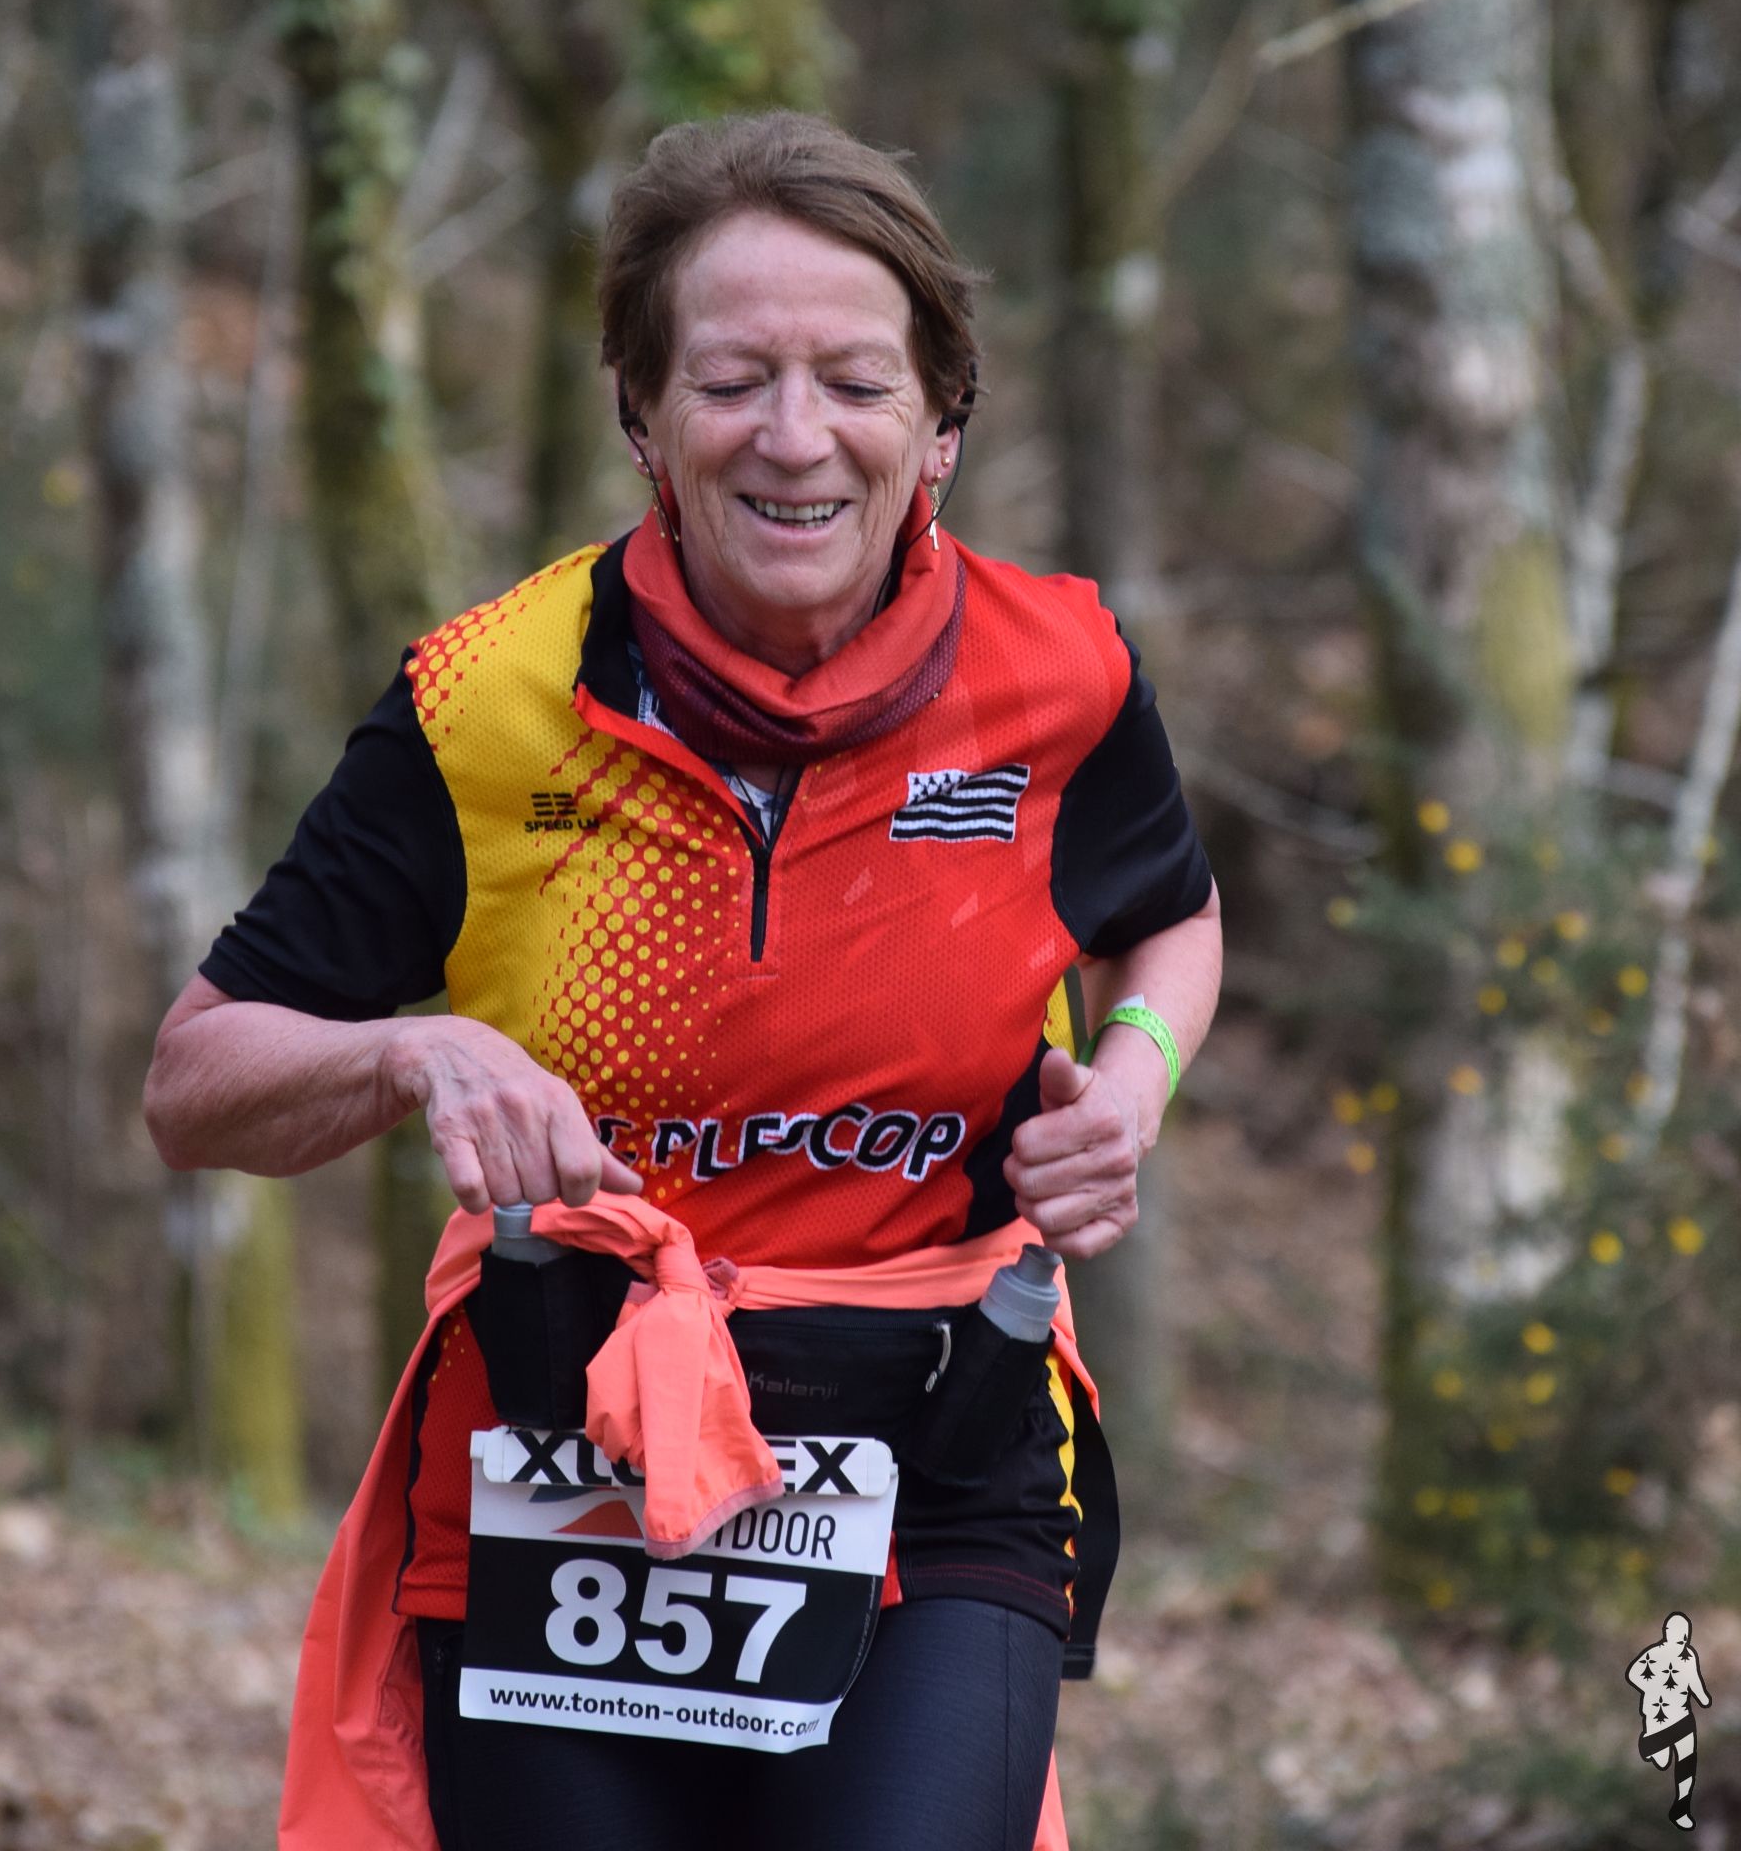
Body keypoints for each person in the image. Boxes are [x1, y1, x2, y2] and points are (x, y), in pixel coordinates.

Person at [144, 111, 1222, 1851]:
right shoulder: (485, 706)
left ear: (942, 422)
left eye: (855, 382)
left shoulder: (1061, 678)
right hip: (559, 1458)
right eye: (731, 382)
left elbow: (1172, 910)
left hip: (942, 1462)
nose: (795, 437)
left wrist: (1140, 1075)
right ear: (640, 415)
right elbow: (196, 1084)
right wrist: (417, 1055)